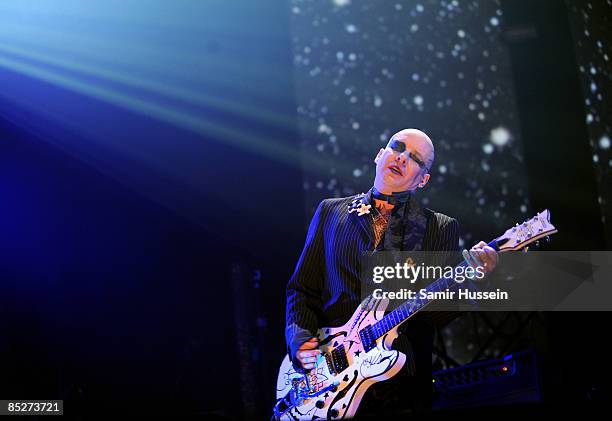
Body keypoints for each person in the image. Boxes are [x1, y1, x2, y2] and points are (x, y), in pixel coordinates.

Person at [285, 128, 498, 415]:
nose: (401, 158)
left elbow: (434, 316)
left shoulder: (439, 227)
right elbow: (302, 289)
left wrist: (473, 279)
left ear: (423, 179)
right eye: (397, 147)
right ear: (379, 155)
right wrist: (298, 337)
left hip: (400, 387)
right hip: (328, 377)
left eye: (414, 158)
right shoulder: (330, 212)